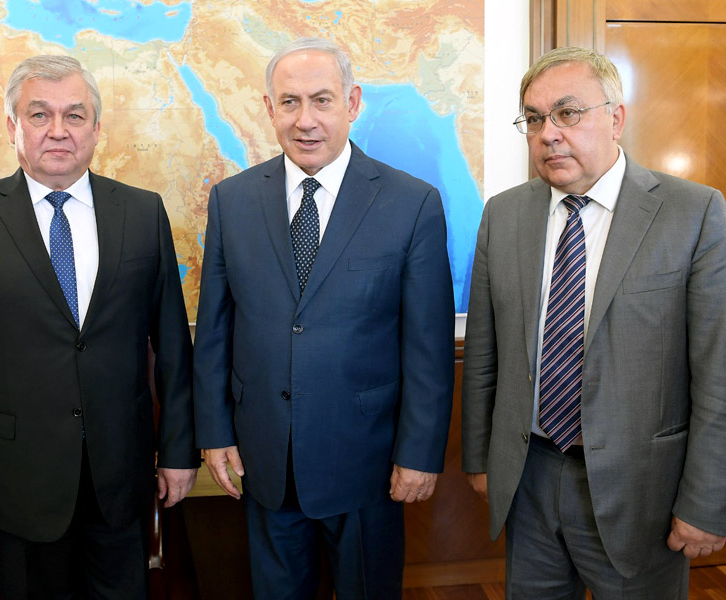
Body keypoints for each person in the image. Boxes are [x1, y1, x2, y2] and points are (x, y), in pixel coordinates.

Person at [0, 55, 198, 599]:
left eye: (75, 115)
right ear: (12, 127)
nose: (57, 130)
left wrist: (177, 451)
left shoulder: (144, 213)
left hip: (122, 479)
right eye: (39, 114)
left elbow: (172, 347)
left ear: (96, 128)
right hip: (17, 483)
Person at [193, 37, 455, 599]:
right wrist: (214, 433)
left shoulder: (413, 203)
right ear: (268, 109)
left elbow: (428, 348)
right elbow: (215, 330)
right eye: (289, 102)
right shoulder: (231, 201)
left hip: (368, 463)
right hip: (265, 460)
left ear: (353, 103)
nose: (305, 120)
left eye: (322, 100)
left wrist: (418, 453)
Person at [462, 45, 726, 599]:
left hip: (642, 492)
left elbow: (718, 372)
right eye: (534, 119)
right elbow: (485, 355)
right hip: (529, 477)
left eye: (568, 112)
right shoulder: (503, 215)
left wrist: (707, 500)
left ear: (616, 117)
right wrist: (482, 459)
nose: (549, 133)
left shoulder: (695, 213)